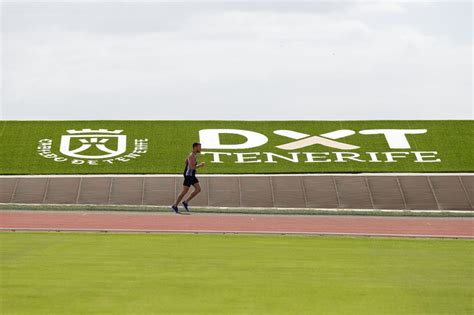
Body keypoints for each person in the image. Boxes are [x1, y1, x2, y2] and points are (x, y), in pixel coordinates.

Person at [171, 142, 205, 213]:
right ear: (195, 147)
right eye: (199, 147)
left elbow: (185, 162)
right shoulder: (191, 156)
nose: (200, 148)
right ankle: (175, 205)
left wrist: (191, 166)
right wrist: (200, 165)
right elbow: (192, 167)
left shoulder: (193, 155)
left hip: (192, 174)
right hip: (188, 175)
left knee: (198, 189)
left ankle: (185, 202)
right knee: (184, 191)